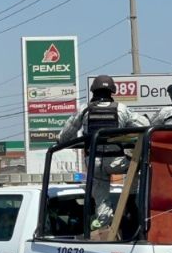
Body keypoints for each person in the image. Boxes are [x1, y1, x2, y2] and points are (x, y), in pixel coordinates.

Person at [57, 75, 147, 230]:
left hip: (95, 163)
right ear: (112, 91)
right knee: (137, 164)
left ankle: (104, 220)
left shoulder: (84, 109)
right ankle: (131, 199)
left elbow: (65, 136)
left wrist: (60, 142)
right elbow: (145, 125)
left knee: (101, 199)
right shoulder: (121, 109)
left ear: (93, 91)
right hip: (117, 162)